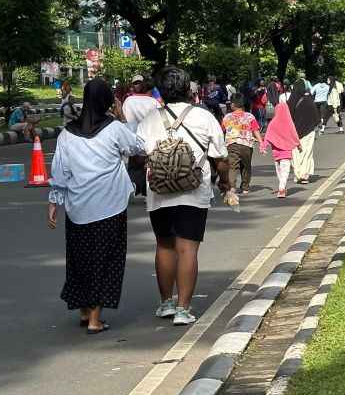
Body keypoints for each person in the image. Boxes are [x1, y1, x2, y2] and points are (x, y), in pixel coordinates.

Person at [47, 78, 144, 334]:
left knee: (79, 259)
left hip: (77, 207)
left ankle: (83, 311)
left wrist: (54, 202)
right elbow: (137, 146)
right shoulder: (113, 128)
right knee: (106, 260)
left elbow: (59, 170)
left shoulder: (67, 132)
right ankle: (95, 320)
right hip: (109, 206)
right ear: (106, 101)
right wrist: (122, 117)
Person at [136, 66, 230, 326]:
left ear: (160, 92)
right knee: (187, 249)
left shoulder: (150, 120)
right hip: (194, 191)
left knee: (164, 246)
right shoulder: (204, 117)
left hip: (159, 192)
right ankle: (183, 308)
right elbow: (220, 158)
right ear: (189, 90)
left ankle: (165, 303)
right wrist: (226, 183)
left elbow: (138, 155)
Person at [121, 77, 158, 197]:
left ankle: (135, 185)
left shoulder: (128, 101)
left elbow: (124, 119)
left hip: (133, 138)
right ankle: (147, 189)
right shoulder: (153, 102)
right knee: (150, 165)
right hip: (150, 138)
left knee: (135, 166)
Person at [262, 93, 300, 198]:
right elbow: (294, 135)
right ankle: (282, 188)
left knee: (279, 172)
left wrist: (263, 147)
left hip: (276, 153)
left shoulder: (273, 123)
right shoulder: (289, 122)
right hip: (286, 152)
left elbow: (268, 136)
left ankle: (281, 187)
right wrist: (298, 145)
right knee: (285, 171)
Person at [222, 93, 261, 195]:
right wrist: (261, 142)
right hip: (246, 145)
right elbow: (255, 130)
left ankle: (232, 187)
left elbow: (221, 130)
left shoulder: (227, 117)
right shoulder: (250, 116)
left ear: (233, 104)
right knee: (246, 166)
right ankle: (245, 188)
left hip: (232, 144)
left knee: (232, 166)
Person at [288, 81, 320, 183]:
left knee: (295, 154)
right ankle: (305, 175)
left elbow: (287, 118)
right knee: (307, 152)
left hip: (293, 133)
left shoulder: (291, 101)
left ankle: (298, 174)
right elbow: (316, 118)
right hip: (308, 131)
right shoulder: (309, 100)